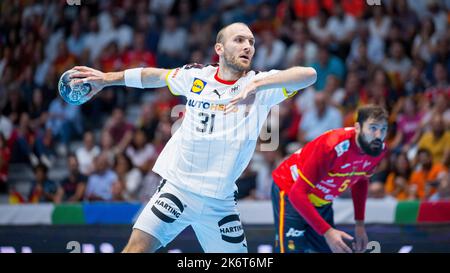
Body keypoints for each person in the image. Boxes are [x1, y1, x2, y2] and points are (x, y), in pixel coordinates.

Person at [69, 22, 317, 253]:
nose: (247, 47)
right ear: (219, 48)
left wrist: (257, 86)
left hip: (220, 204)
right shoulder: (196, 76)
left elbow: (309, 74)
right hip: (177, 191)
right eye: (239, 40)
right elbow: (154, 76)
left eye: (251, 42)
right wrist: (106, 79)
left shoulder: (261, 86)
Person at [271, 105, 389, 253]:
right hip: (290, 190)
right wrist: (327, 231)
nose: (379, 135)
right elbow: (297, 193)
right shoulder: (332, 146)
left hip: (322, 200)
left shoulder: (378, 150)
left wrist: (359, 225)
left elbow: (360, 180)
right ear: (357, 127)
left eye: (384, 129)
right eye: (373, 128)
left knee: (332, 248)